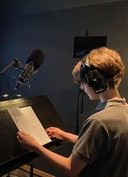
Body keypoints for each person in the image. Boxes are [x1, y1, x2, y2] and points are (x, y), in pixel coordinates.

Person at [17, 47, 128, 177]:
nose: (81, 87)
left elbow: (70, 168)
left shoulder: (99, 121)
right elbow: (98, 143)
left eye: (82, 82)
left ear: (95, 80)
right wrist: (65, 135)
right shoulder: (124, 111)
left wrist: (35, 146)